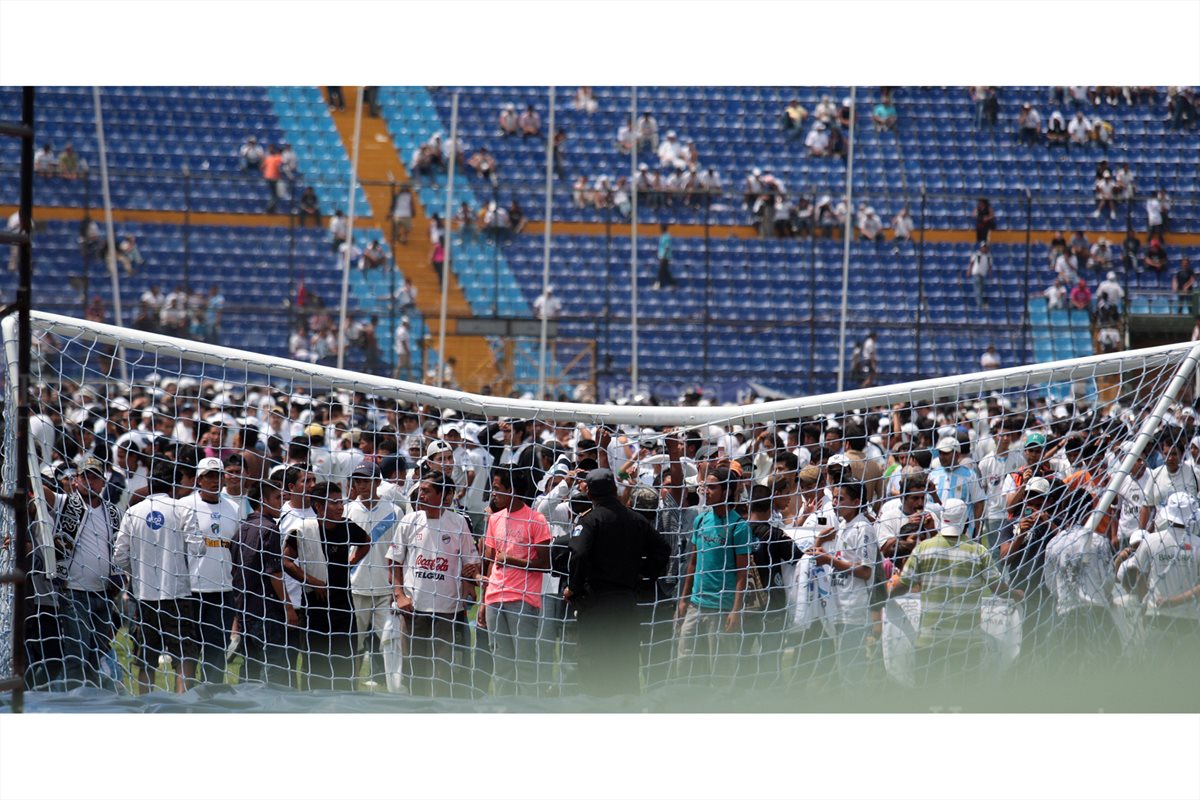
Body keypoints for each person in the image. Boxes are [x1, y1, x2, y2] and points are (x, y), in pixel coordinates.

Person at [890, 498, 1022, 686]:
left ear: (942, 519)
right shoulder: (978, 552)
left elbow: (904, 583)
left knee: (927, 699)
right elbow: (997, 587)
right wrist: (1015, 594)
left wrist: (884, 596)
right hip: (966, 642)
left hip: (930, 639)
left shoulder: (924, 548)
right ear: (966, 522)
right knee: (963, 699)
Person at [565, 467, 668, 696]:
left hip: (596, 606)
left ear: (590, 494)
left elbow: (579, 554)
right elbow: (663, 551)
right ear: (614, 489)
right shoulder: (637, 519)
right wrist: (640, 574)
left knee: (594, 672)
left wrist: (574, 588)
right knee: (626, 668)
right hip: (626, 604)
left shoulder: (590, 521)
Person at [386, 472, 478, 696]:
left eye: (427, 491)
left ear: (443, 494)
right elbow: (393, 562)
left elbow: (471, 562)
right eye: (420, 490)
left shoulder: (458, 523)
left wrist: (469, 588)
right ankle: (416, 709)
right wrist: (400, 595)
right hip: (413, 608)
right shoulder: (410, 521)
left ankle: (440, 710)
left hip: (447, 609)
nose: (421, 495)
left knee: (442, 669)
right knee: (413, 667)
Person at [113, 460, 199, 694]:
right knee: (184, 655)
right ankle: (183, 705)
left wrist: (140, 568)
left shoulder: (133, 511)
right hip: (177, 594)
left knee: (145, 657)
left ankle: (145, 706)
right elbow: (198, 549)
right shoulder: (183, 509)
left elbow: (119, 556)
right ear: (176, 483)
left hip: (144, 596)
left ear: (149, 483)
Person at [40, 457, 123, 690]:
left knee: (97, 653)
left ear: (103, 482)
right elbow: (42, 491)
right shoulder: (66, 503)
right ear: (76, 480)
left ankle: (91, 697)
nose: (90, 481)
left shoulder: (113, 512)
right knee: (77, 653)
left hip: (105, 593)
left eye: (95, 477)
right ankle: (71, 699)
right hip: (74, 592)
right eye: (85, 476)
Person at [283, 481, 369, 690]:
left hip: (343, 606)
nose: (340, 507)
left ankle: (346, 702)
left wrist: (352, 561)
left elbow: (366, 542)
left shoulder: (347, 527)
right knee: (316, 661)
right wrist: (312, 581)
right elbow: (285, 561)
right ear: (319, 507)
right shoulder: (304, 530)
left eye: (341, 502)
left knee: (345, 660)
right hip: (315, 606)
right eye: (334, 502)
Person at [675, 467, 750, 687]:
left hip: (721, 608)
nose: (706, 491)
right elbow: (693, 562)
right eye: (705, 486)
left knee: (720, 671)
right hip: (695, 605)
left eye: (713, 487)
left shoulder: (738, 526)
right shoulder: (701, 521)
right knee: (684, 663)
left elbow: (742, 574)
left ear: (727, 491)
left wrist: (735, 610)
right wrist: (683, 599)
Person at [480, 466, 551, 696]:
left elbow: (545, 564)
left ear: (512, 490)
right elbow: (491, 562)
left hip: (523, 599)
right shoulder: (494, 519)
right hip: (494, 598)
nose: (493, 494)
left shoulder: (536, 519)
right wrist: (483, 601)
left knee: (525, 665)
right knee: (501, 666)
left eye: (498, 489)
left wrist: (512, 560)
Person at [178, 457, 244, 684]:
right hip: (191, 590)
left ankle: (212, 696)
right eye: (209, 476)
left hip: (223, 590)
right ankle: (187, 695)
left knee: (217, 651)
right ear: (199, 479)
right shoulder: (184, 505)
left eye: (218, 475)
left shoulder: (234, 508)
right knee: (190, 650)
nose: (214, 480)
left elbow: (237, 549)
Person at [1117, 492, 1200, 658]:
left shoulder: (1151, 541)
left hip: (1156, 615)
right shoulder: (1197, 544)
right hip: (1188, 618)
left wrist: (1143, 602)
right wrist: (1176, 601)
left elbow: (1135, 574)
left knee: (1156, 674)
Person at [231, 476, 293, 686]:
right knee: (275, 665)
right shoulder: (270, 529)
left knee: (250, 664)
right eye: (277, 498)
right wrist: (289, 608)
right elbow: (274, 573)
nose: (281, 503)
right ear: (262, 500)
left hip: (245, 610)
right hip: (266, 610)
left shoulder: (241, 529)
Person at [968, 243, 992, 308]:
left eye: (985, 247)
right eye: (983, 247)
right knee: (978, 289)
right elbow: (971, 263)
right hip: (976, 274)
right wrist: (969, 271)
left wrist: (990, 275)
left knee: (981, 290)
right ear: (981, 248)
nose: (984, 248)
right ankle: (980, 304)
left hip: (983, 275)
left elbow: (990, 267)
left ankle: (980, 303)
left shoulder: (989, 256)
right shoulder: (976, 254)